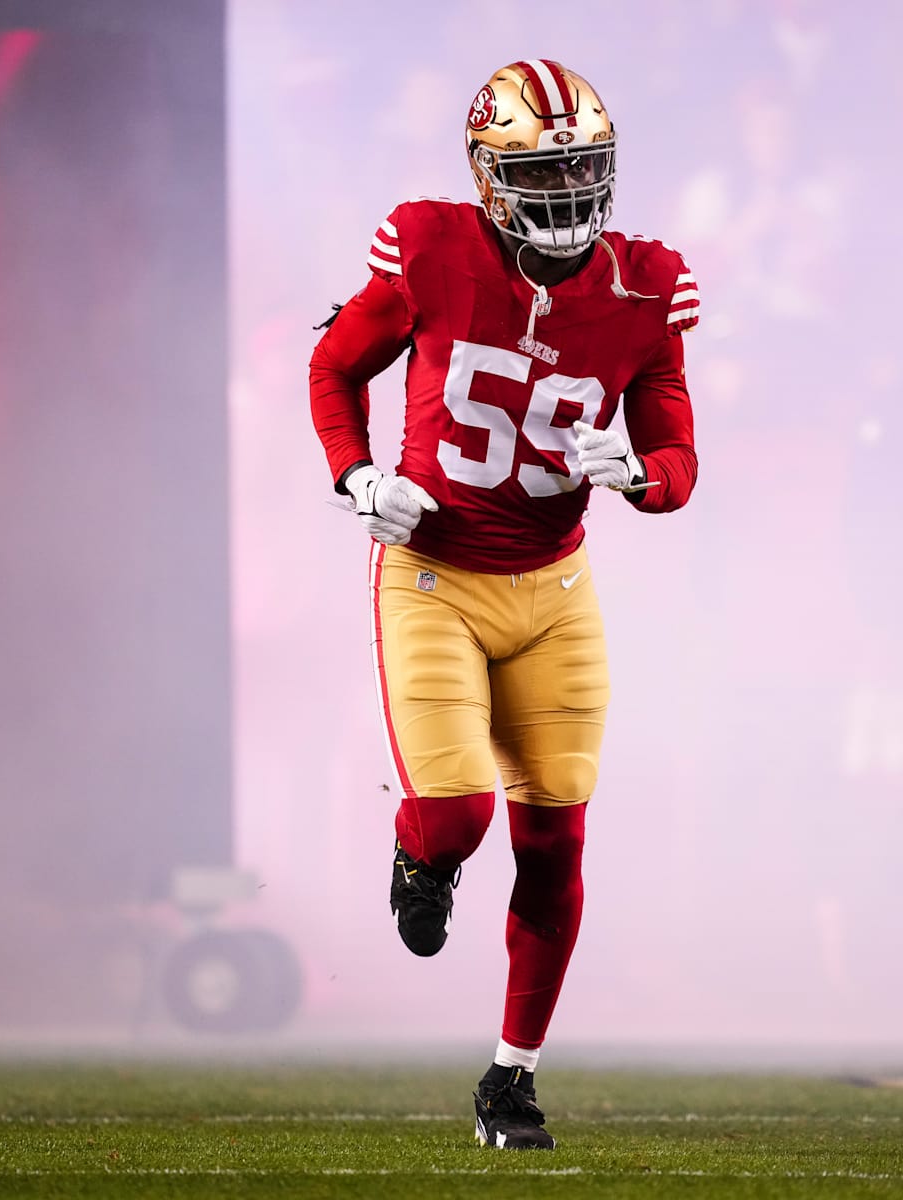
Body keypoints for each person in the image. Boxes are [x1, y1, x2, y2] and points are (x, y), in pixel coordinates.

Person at [307, 59, 698, 1151]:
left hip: (558, 588)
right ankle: (419, 853)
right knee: (458, 816)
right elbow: (334, 369)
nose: (569, 190)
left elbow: (679, 456)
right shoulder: (431, 250)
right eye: (542, 169)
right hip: (435, 573)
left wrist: (637, 473)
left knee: (556, 844)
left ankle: (511, 1078)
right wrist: (356, 475)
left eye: (583, 167)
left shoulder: (645, 285)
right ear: (486, 176)